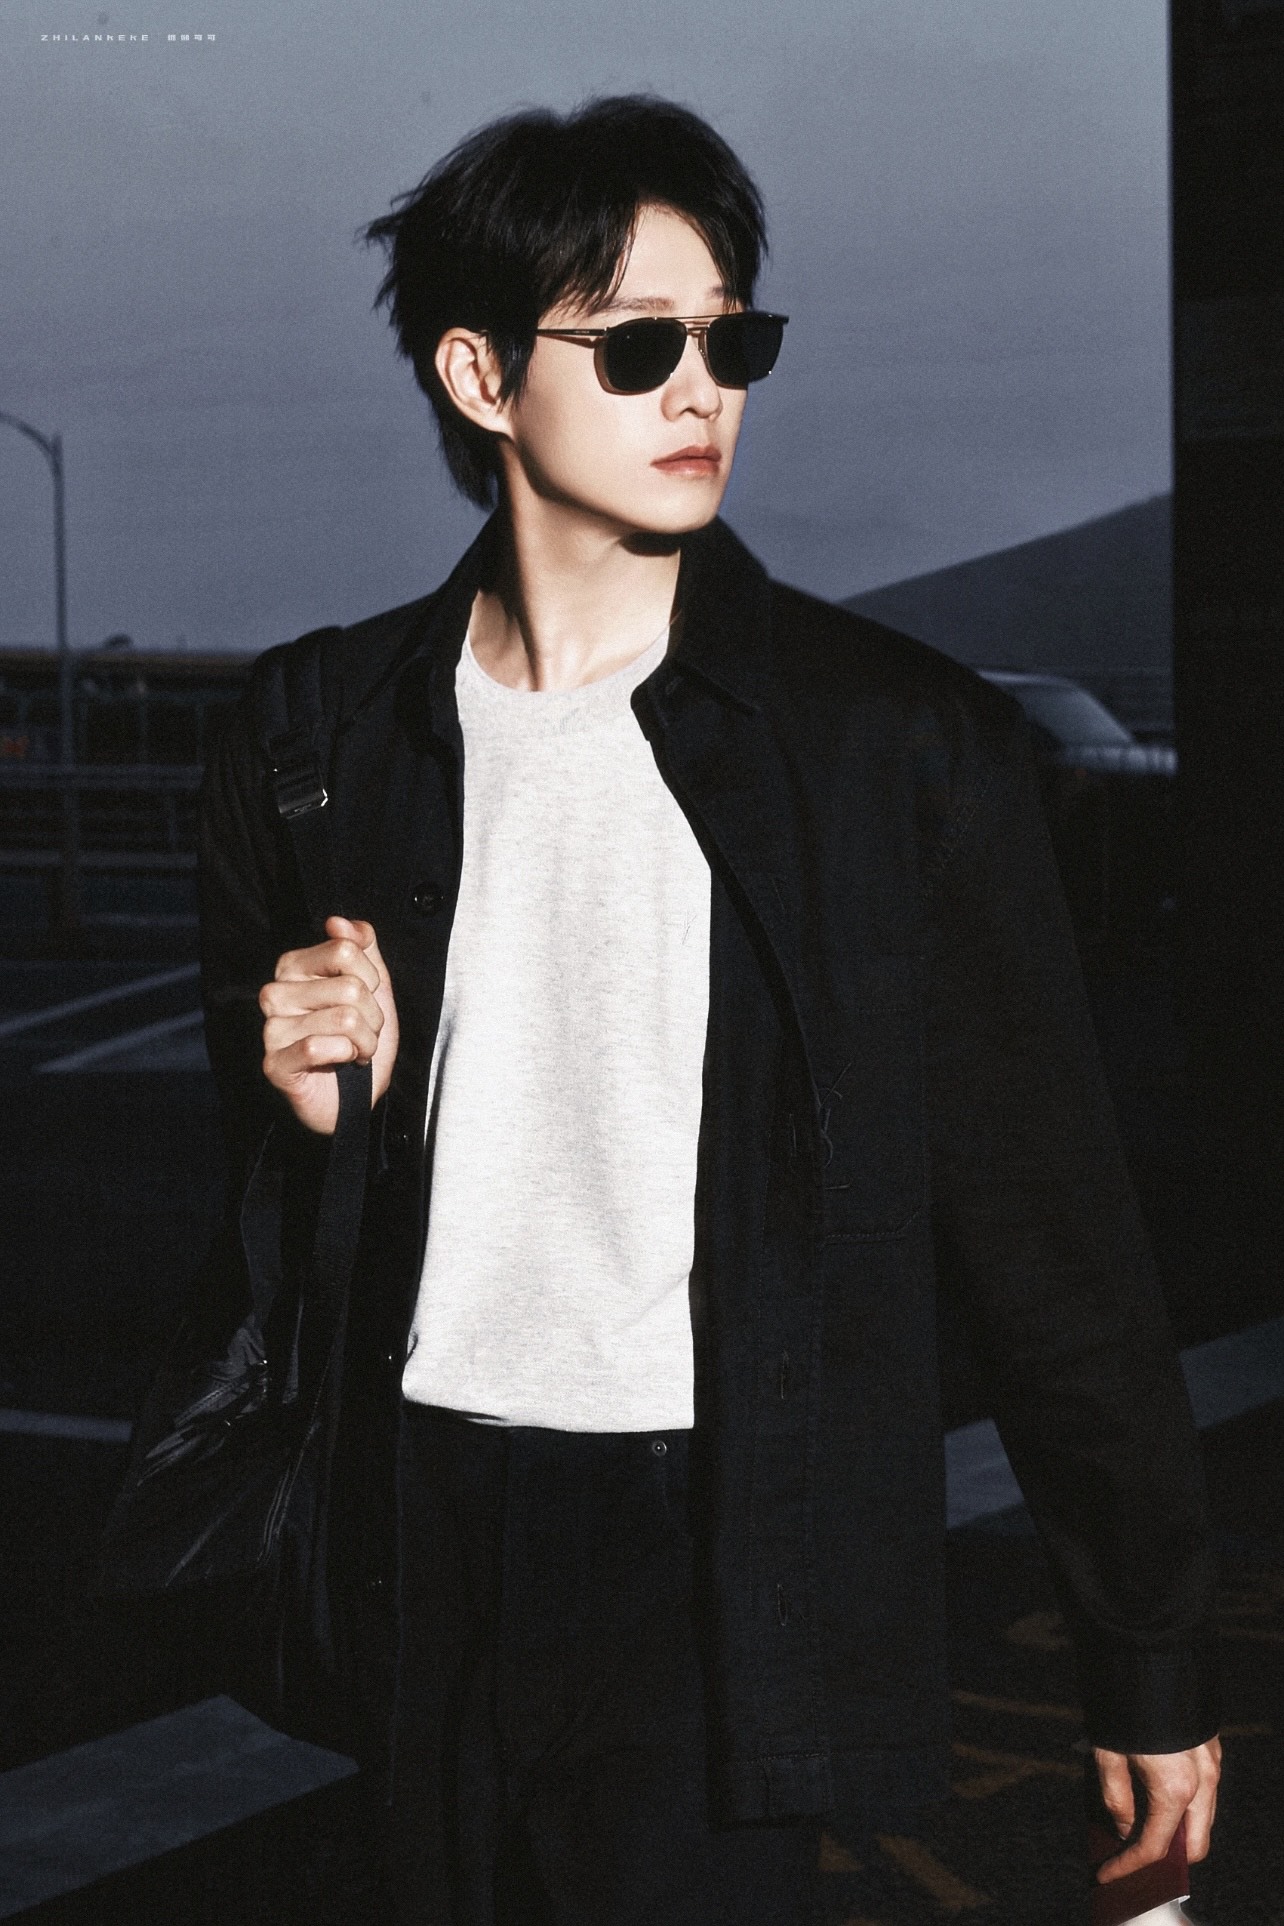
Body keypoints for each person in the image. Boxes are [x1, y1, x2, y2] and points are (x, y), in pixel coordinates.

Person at [198, 95, 1220, 1926]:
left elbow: (1049, 1227)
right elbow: (276, 1202)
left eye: (730, 342)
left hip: (710, 1546)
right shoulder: (320, 735)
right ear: (481, 375)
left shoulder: (891, 747)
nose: (701, 392)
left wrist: (1144, 1650)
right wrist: (303, 1102)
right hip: (415, 1533)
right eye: (638, 345)